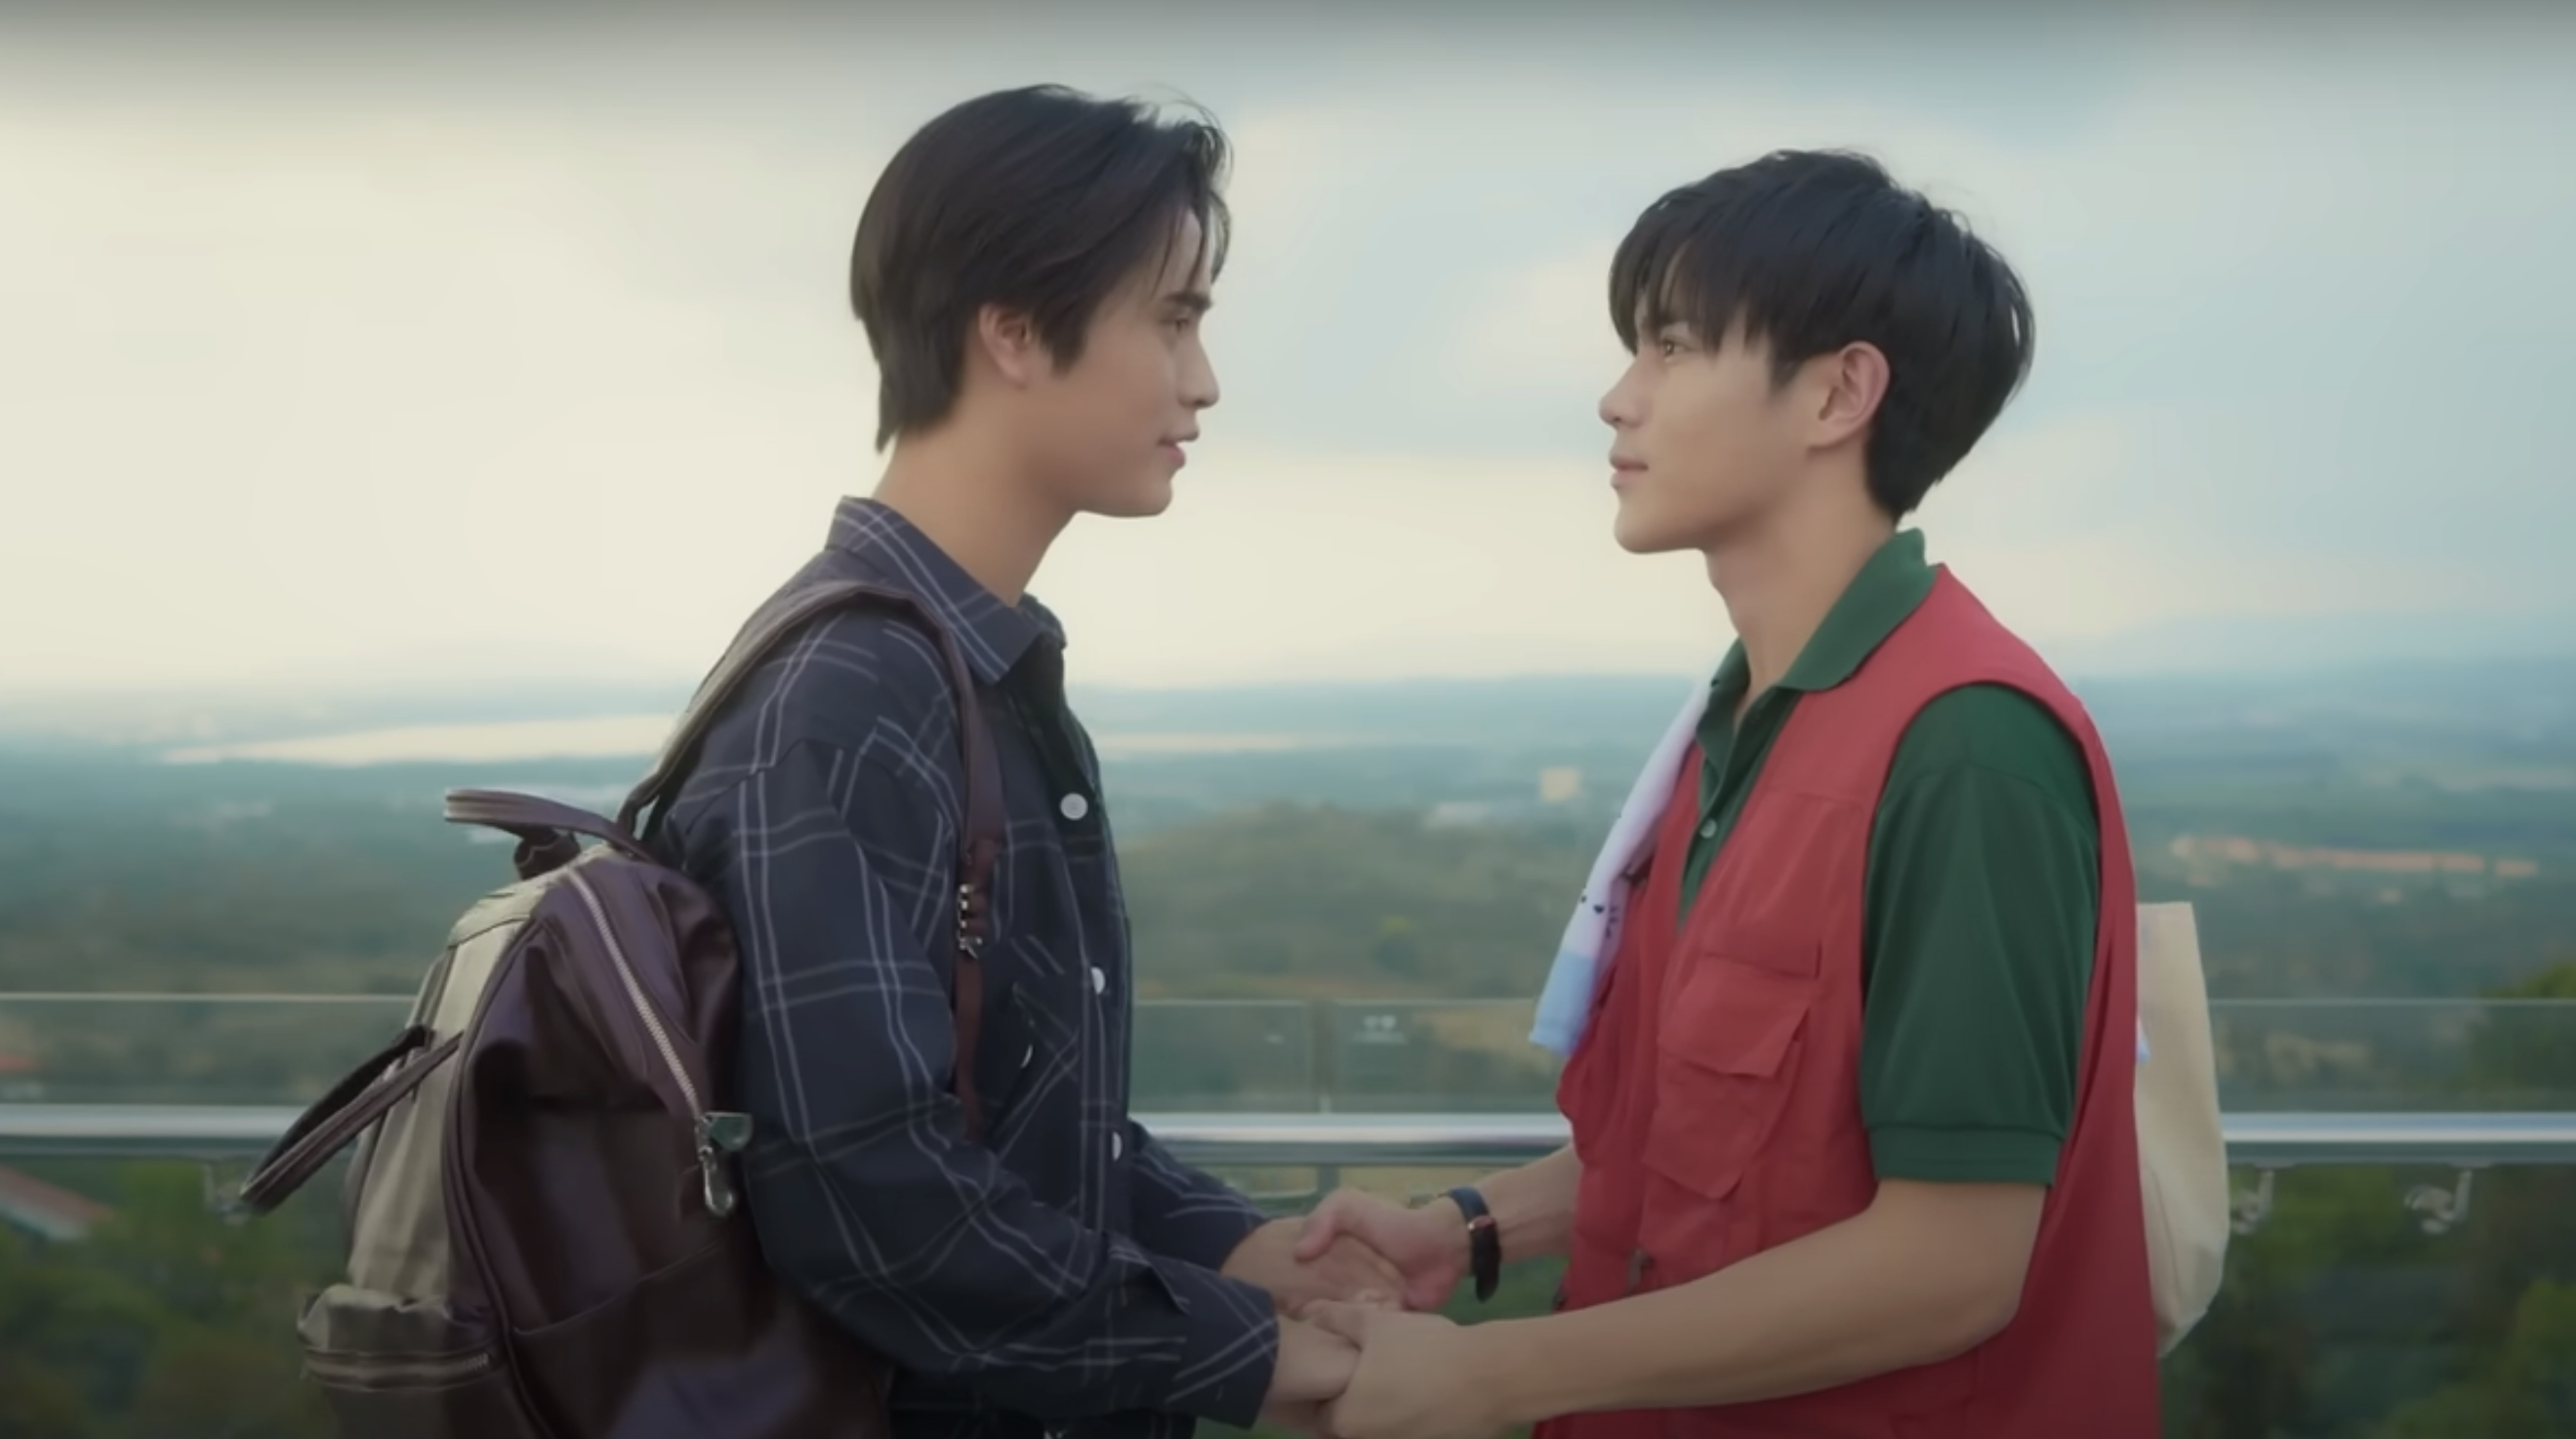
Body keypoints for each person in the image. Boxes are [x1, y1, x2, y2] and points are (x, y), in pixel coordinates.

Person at [1289, 148, 2160, 1438]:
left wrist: (1493, 1373)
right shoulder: (1737, 727)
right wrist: (1464, 1230)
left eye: (1673, 347)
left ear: (1838, 393)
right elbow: (1719, 1149)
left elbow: (1955, 1258)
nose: (1615, 398)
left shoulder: (1966, 743)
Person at [652, 86, 1399, 1439]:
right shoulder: (851, 697)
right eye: (1174, 319)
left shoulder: (954, 669)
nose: (1204, 380)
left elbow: (1019, 1109)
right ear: (1009, 326)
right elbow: (870, 1192)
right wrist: (1266, 1358)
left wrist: (1235, 1251)